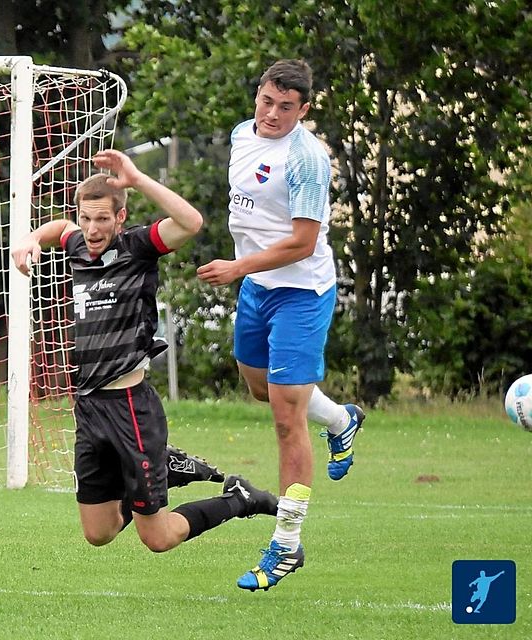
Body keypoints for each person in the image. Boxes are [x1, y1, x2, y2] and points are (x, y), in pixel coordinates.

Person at [11, 149, 277, 556]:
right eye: (86, 218)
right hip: (88, 406)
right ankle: (165, 469)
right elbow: (60, 228)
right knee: (98, 532)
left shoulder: (137, 247)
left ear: (120, 217)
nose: (92, 229)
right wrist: (31, 238)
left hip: (130, 409)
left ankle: (238, 498)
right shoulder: (78, 244)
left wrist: (137, 180)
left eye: (103, 219)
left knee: (158, 538)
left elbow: (191, 222)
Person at [197, 59, 366, 591]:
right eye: (267, 101)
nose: (272, 114)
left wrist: (237, 267)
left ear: (303, 109)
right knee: (259, 388)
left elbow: (303, 243)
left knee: (286, 418)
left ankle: (286, 544)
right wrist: (246, 272)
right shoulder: (240, 135)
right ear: (258, 95)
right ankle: (340, 419)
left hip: (301, 293)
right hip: (258, 287)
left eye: (286, 107)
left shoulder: (308, 159)